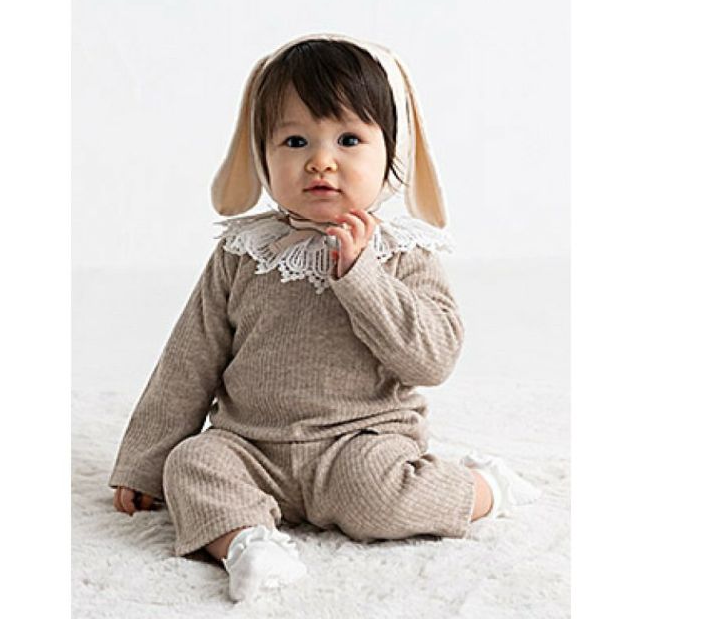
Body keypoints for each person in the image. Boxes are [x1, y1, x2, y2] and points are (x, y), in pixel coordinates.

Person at [109, 33, 541, 602]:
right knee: (191, 464)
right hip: (251, 447)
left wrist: (361, 276)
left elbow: (433, 359)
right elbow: (189, 359)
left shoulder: (403, 253)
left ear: (392, 152)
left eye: (348, 139)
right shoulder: (245, 252)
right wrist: (144, 462)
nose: (320, 160)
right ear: (261, 155)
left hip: (359, 446)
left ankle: (484, 488)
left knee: (379, 499)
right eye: (295, 140)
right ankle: (248, 543)